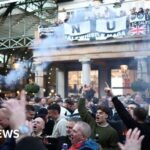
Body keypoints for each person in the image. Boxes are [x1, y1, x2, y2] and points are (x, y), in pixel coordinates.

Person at [104, 85, 150, 150]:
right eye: (128, 108)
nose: (129, 110)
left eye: (131, 109)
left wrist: (112, 95)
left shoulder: (134, 126)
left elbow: (122, 111)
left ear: (135, 116)